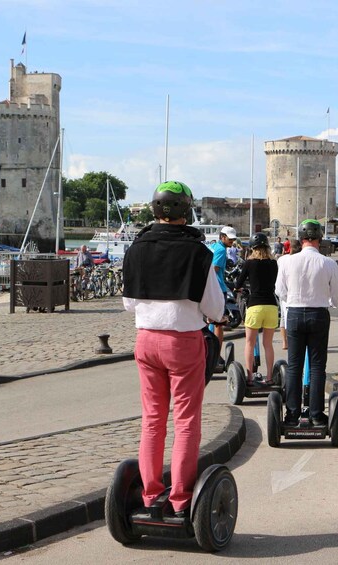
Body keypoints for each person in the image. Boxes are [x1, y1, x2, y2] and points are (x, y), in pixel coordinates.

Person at [122, 180, 225, 518]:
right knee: (186, 420)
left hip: (146, 340)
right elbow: (214, 309)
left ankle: (150, 494)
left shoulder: (136, 248)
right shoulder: (199, 252)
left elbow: (128, 303)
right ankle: (180, 499)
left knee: (152, 419)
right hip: (182, 341)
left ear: (155, 209)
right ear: (186, 211)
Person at [275, 219, 338, 426]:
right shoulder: (328, 263)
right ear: (320, 238)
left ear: (301, 238)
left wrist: (294, 300)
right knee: (316, 366)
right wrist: (328, 302)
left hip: (295, 313)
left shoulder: (286, 261)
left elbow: (280, 291)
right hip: (318, 314)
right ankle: (315, 414)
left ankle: (292, 414)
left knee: (295, 366)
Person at [234, 233, 279, 385]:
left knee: (249, 343)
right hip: (271, 306)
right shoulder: (274, 263)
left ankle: (249, 377)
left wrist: (239, 289)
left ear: (252, 248)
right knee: (268, 344)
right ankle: (270, 376)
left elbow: (238, 284)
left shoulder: (249, 263)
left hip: (255, 306)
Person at [212, 225, 237, 360]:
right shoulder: (221, 250)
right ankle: (216, 355)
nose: (232, 242)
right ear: (222, 237)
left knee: (211, 322)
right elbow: (214, 268)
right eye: (230, 239)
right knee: (219, 324)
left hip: (211, 289)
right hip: (218, 289)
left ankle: (210, 352)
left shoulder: (214, 247)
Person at [277, 238, 301, 350]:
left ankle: (285, 343)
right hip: (296, 293)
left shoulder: (282, 259)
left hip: (285, 293)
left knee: (283, 318)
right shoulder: (301, 259)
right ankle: (293, 342)